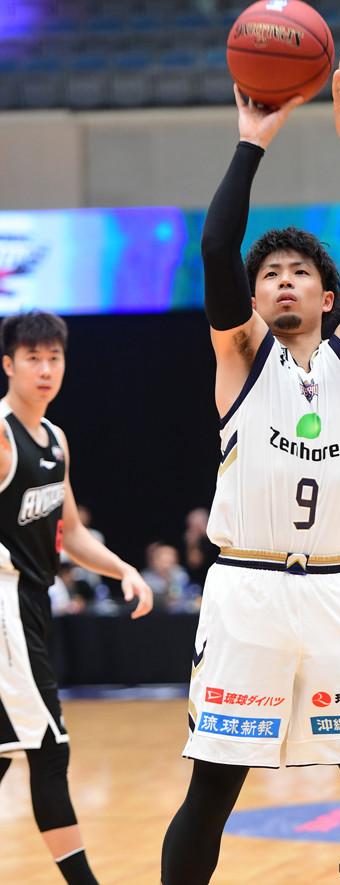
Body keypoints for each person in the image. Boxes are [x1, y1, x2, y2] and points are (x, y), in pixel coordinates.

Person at [161, 47, 340, 885]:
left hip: (336, 590)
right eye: (268, 274)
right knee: (212, 790)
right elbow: (215, 245)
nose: (280, 282)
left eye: (298, 273)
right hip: (248, 590)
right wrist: (252, 141)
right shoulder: (241, 357)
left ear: (327, 297)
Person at [0, 310, 153, 885]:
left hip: (33, 604)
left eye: (54, 358)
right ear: (8, 364)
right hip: (5, 604)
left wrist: (123, 570)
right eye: (32, 358)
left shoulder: (56, 440)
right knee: (48, 747)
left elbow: (72, 534)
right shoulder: (1, 436)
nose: (45, 369)